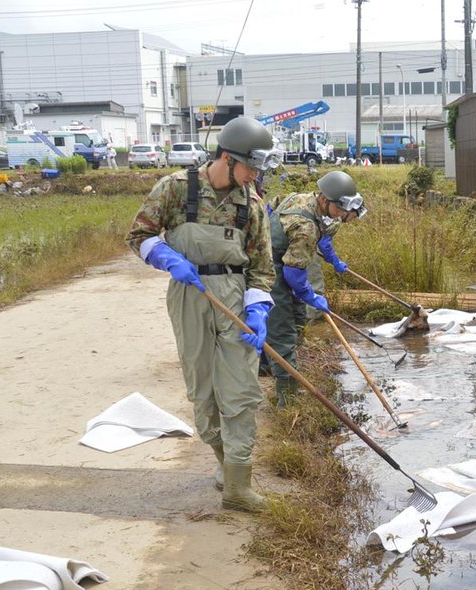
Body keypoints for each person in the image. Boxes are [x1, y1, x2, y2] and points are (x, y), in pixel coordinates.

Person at [126, 115, 280, 513]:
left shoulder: (252, 204)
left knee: (241, 391)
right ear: (228, 158)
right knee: (203, 392)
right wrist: (164, 256)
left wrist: (258, 309)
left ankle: (238, 487)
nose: (255, 176)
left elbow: (262, 267)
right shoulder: (176, 188)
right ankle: (224, 464)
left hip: (234, 297)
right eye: (251, 167)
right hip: (189, 293)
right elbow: (138, 235)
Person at [263, 169, 367, 406]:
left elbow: (270, 208)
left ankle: (272, 368)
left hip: (284, 262)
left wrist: (334, 262)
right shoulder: (306, 226)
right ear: (324, 199)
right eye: (339, 208)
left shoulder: (300, 199)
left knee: (298, 317)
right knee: (282, 330)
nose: (342, 214)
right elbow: (293, 274)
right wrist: (310, 295)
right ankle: (287, 397)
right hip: (271, 270)